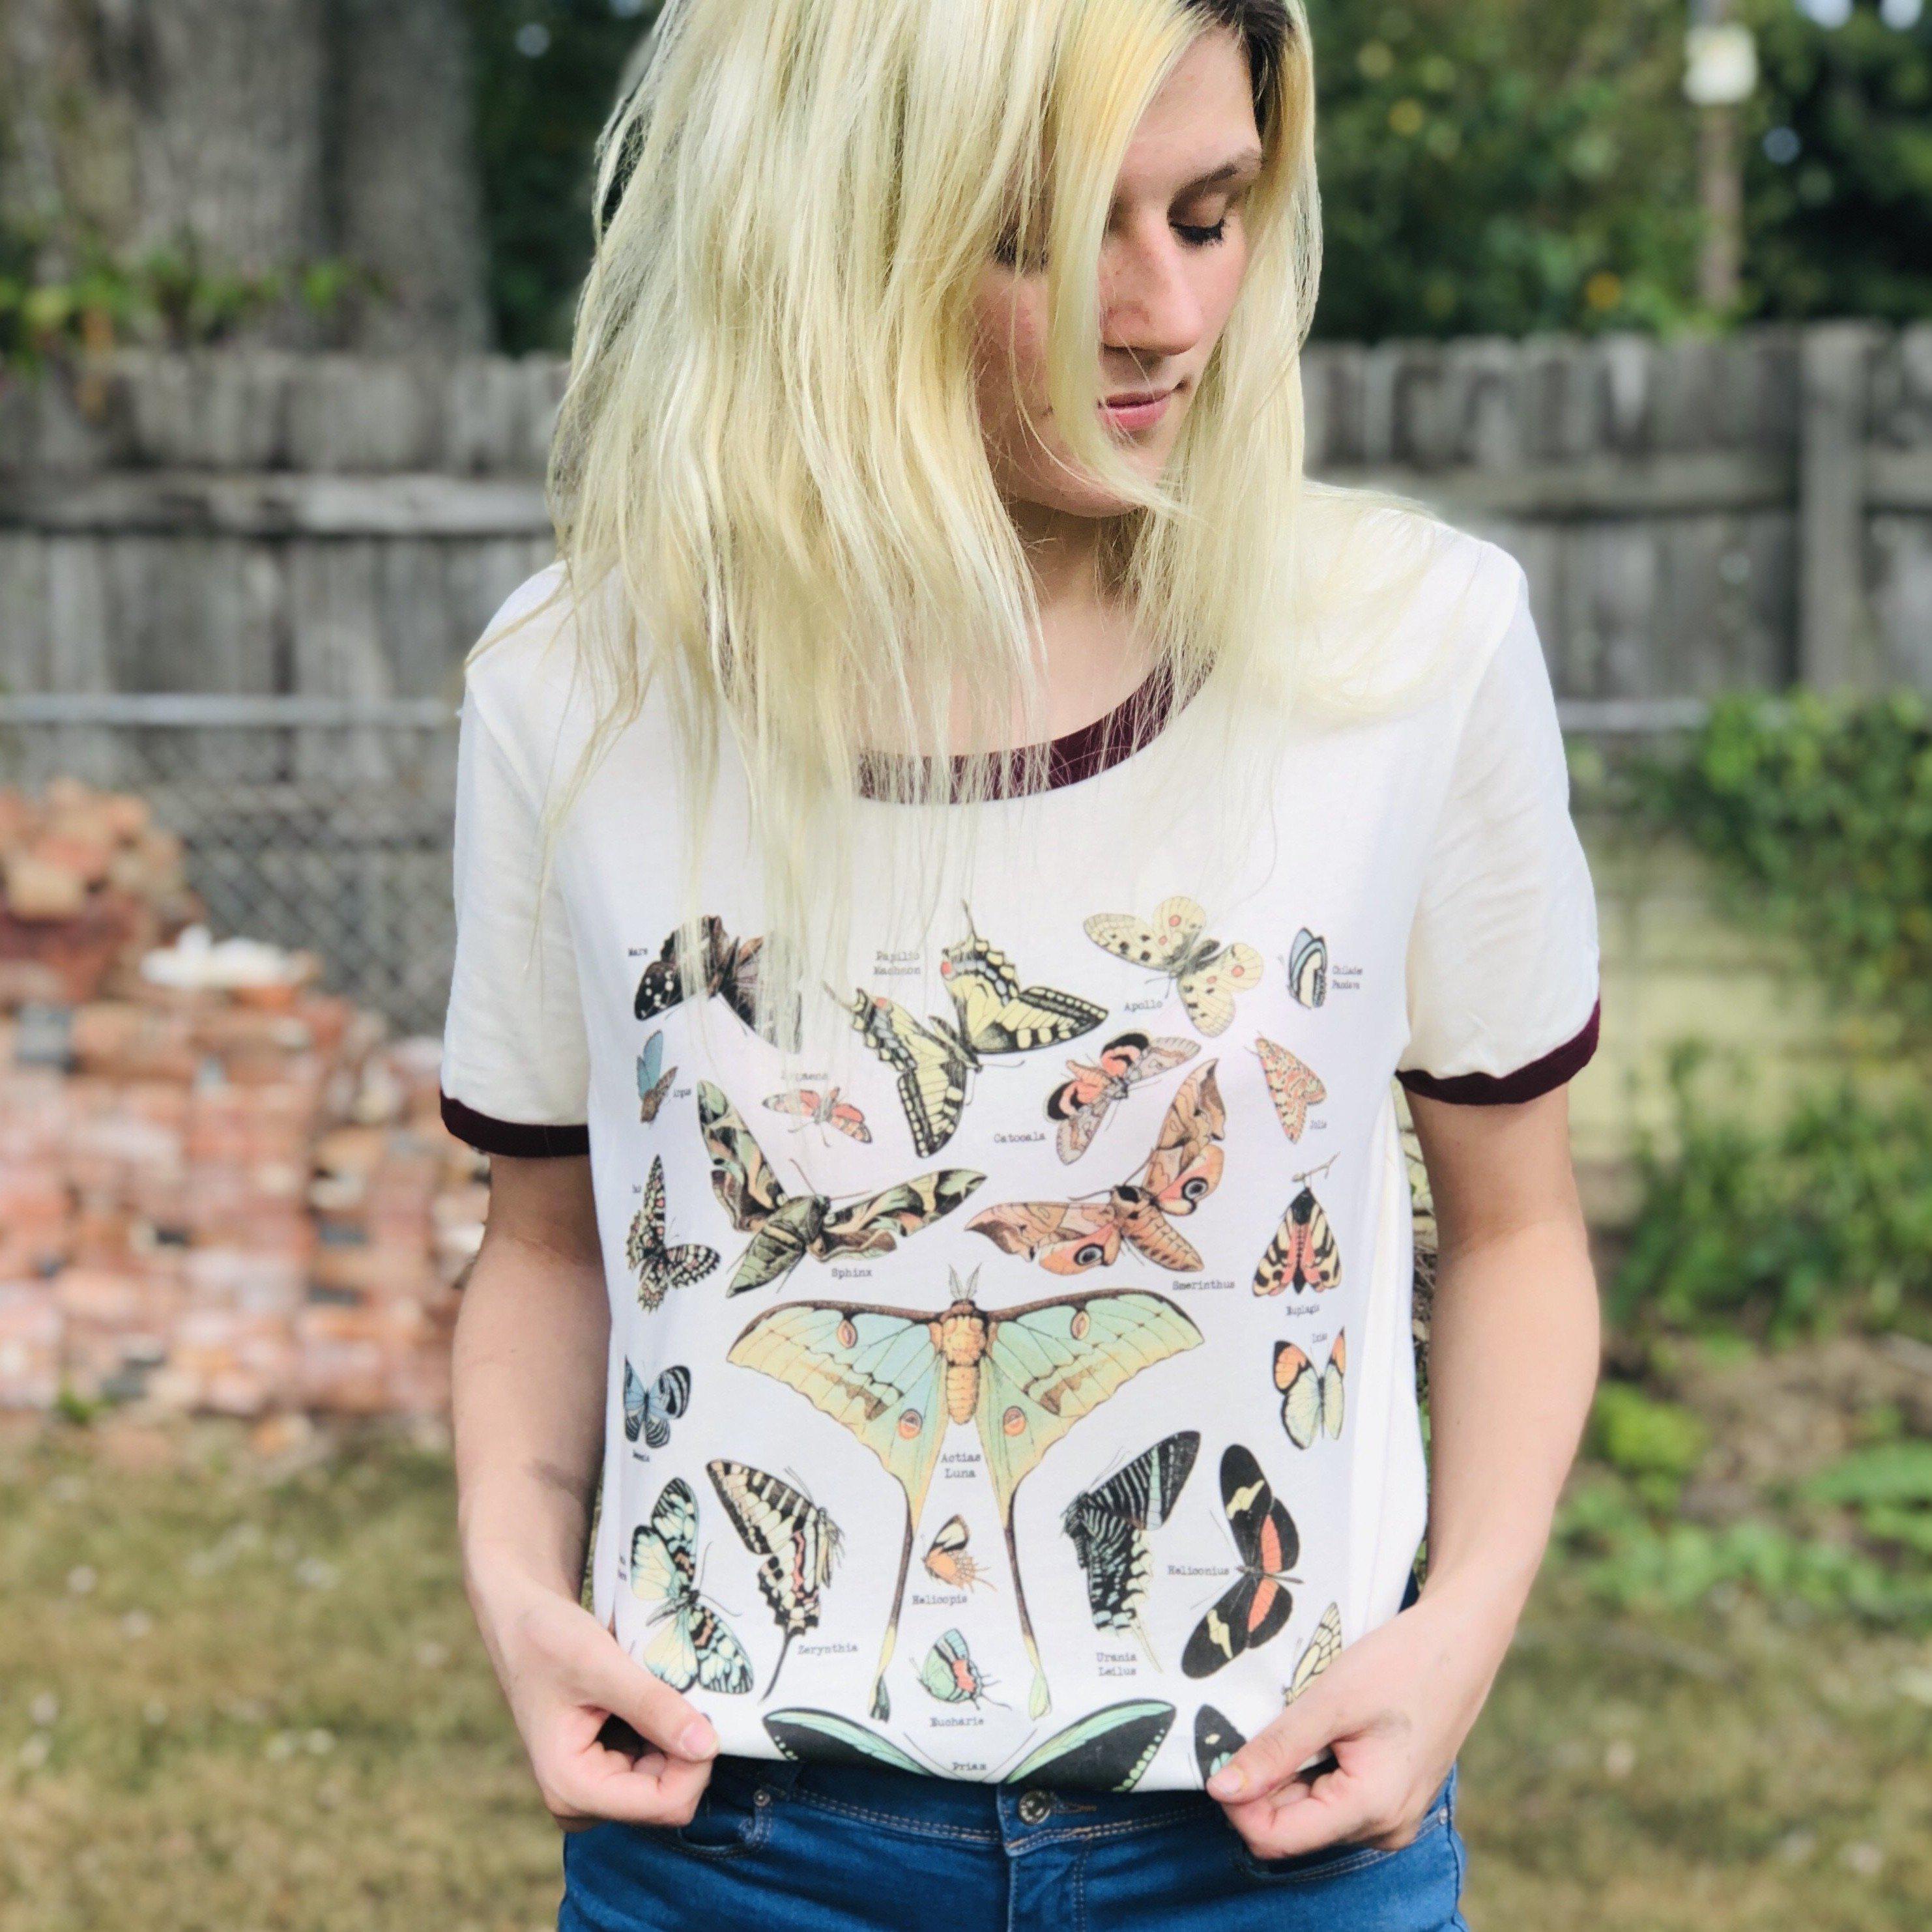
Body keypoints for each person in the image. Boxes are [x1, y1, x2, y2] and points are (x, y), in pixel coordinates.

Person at [438, 2, 1602, 1927]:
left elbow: (1522, 1227)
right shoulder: (576, 684)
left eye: (1211, 213)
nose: (1161, 313)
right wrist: (512, 1578)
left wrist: (1460, 1628)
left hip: (1277, 1843)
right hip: (733, 1848)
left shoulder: (1418, 647)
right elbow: (550, 1241)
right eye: (1048, 239)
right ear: (831, 233)